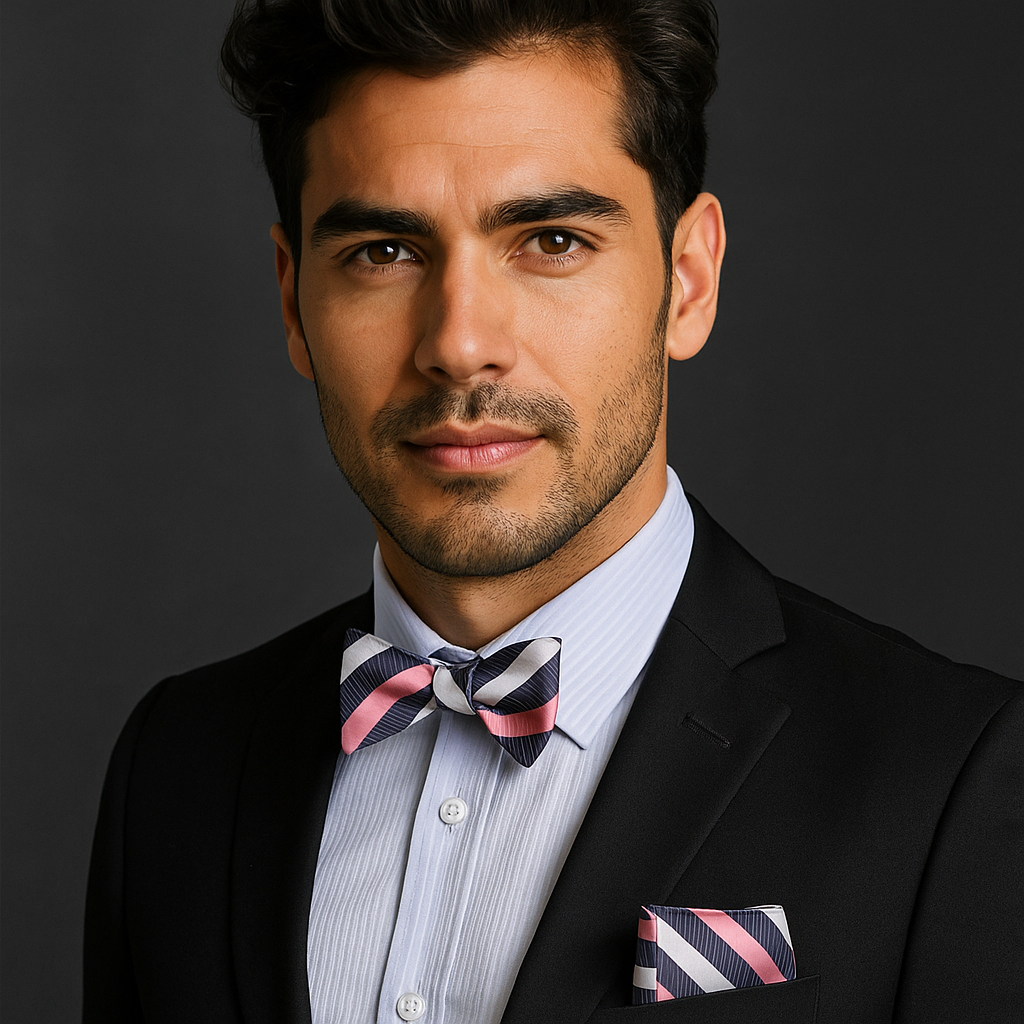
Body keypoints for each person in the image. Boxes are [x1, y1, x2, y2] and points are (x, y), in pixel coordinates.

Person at [83, 1, 1022, 1022]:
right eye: (382, 254)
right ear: (291, 300)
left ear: (688, 281)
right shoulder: (176, 765)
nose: (459, 342)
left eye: (552, 239)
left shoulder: (951, 783)